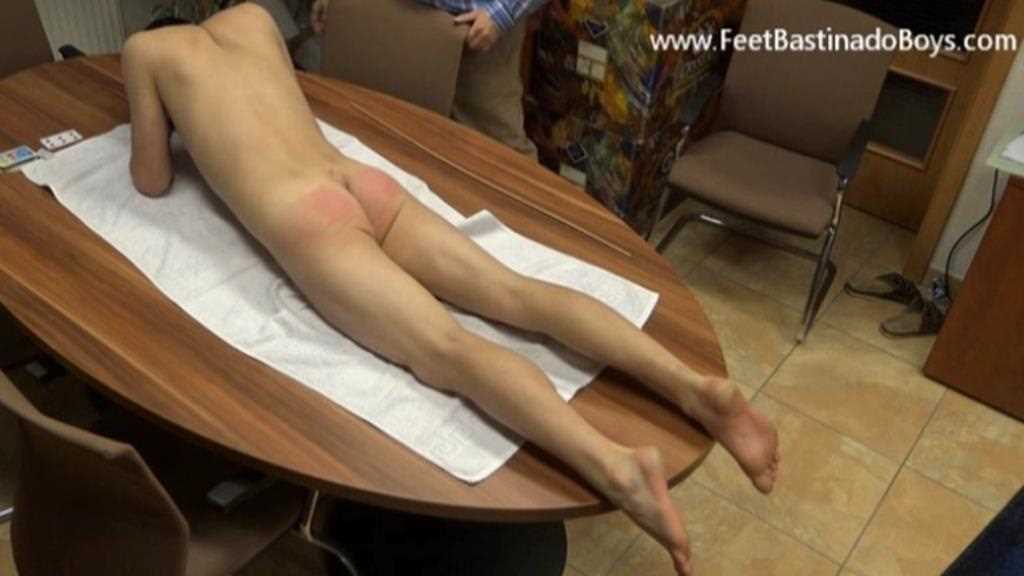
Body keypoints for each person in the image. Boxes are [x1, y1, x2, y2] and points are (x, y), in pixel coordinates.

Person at [122, 5, 779, 574]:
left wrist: (181, 122)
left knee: (445, 349)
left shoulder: (147, 49)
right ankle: (692, 387)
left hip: (306, 215)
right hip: (359, 181)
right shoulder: (253, 17)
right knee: (516, 292)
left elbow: (151, 179)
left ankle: (615, 465)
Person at [311, 0, 541, 157]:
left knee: (499, 157)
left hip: (475, 29)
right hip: (381, 14)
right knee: (373, 137)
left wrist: (502, 12)